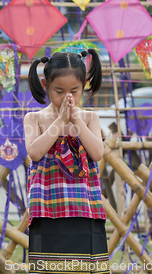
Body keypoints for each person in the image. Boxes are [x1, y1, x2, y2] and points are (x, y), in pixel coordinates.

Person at [24, 50, 109, 274]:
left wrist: (76, 121)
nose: (67, 97)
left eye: (75, 91)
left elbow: (97, 152)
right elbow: (34, 152)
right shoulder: (34, 118)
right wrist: (60, 121)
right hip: (47, 208)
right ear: (45, 84)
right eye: (59, 91)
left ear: (84, 85)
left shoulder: (90, 117)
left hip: (84, 209)